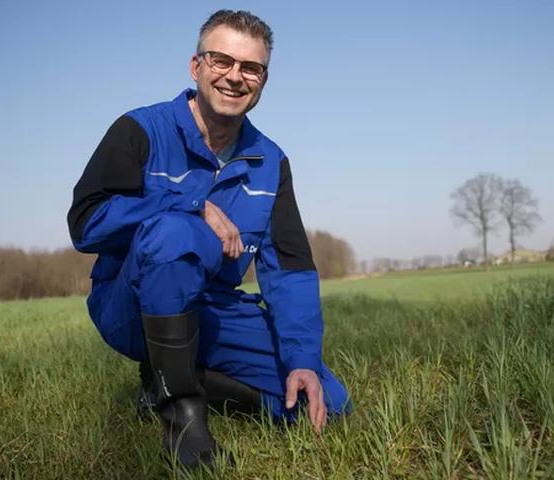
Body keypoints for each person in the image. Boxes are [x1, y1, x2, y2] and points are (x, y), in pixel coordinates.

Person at [67, 9, 351, 468]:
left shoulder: (270, 161)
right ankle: (185, 425)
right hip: (132, 304)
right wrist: (186, 203)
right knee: (175, 232)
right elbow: (86, 223)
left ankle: (172, 378)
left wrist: (301, 358)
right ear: (196, 66)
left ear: (263, 79)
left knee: (328, 403)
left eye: (251, 67)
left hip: (212, 305)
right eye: (221, 61)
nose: (235, 77)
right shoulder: (139, 130)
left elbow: (290, 268)